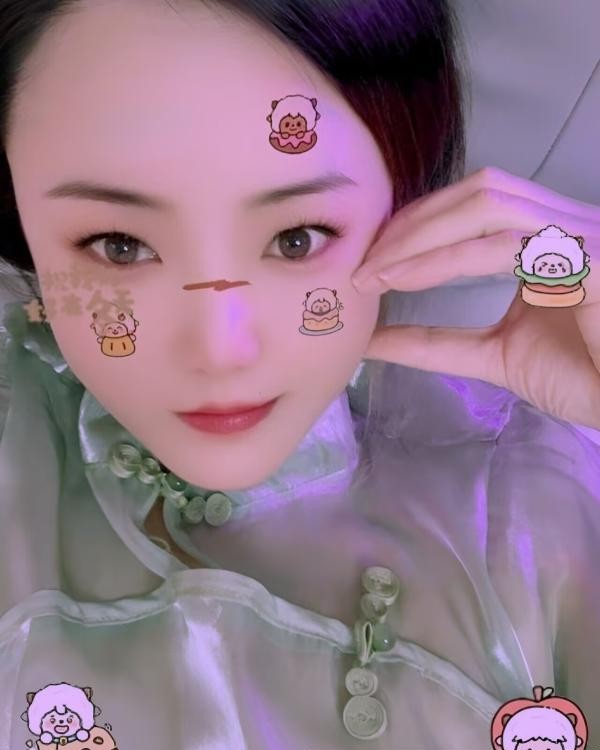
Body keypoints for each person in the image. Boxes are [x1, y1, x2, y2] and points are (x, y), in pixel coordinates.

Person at [0, 1, 599, 748]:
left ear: (406, 195)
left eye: (297, 239)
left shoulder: (536, 518)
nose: (221, 351)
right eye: (119, 245)